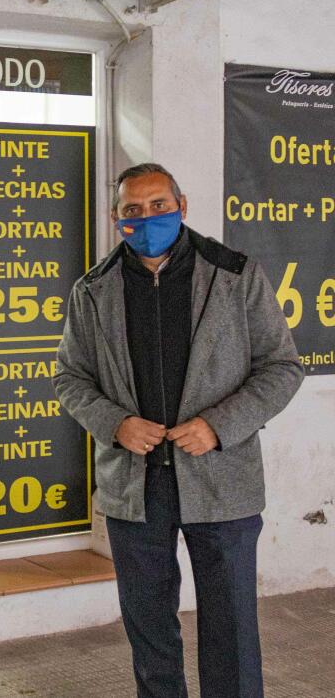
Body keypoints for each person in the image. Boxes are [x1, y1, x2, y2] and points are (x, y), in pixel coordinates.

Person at [54, 163, 303, 698]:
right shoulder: (92, 291)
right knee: (149, 633)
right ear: (115, 217)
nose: (147, 219)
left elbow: (282, 367)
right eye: (133, 211)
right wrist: (114, 424)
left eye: (159, 205)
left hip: (222, 483)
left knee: (231, 628)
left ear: (182, 205)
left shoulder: (234, 275)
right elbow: (70, 377)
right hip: (135, 489)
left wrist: (218, 426)